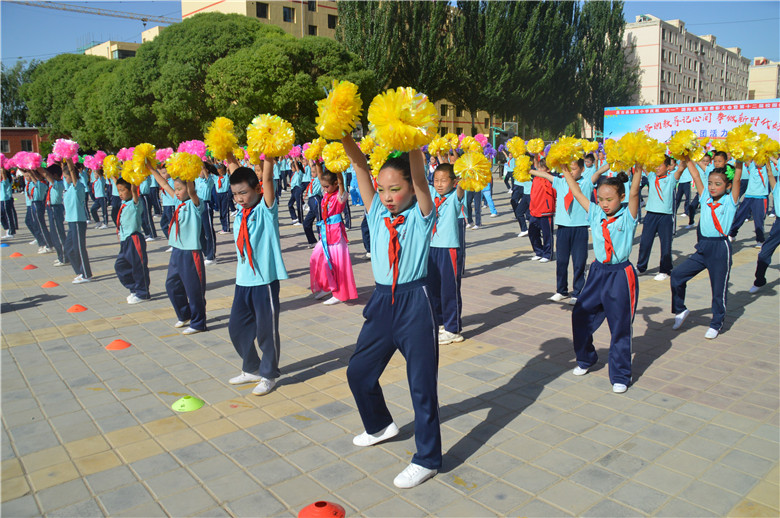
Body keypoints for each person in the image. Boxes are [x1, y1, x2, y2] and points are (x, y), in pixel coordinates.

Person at [342, 134, 440, 489]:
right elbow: (358, 165)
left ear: (411, 191)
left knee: (421, 386)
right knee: (358, 371)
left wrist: (412, 137)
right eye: (381, 189)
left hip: (416, 303)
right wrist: (342, 132)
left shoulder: (422, 215)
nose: (386, 196)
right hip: (383, 303)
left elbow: (419, 179)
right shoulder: (377, 212)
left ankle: (427, 458)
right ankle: (380, 425)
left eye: (394, 189)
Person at [563, 164, 643, 394]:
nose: (605, 204)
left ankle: (620, 375)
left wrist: (638, 169)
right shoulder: (596, 213)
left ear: (621, 197)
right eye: (600, 199)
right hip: (597, 272)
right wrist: (563, 169)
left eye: (609, 199)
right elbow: (577, 192)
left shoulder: (628, 216)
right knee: (580, 315)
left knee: (619, 327)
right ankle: (586, 358)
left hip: (620, 275)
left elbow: (636, 192)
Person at [224, 153, 288, 396]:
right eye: (235, 194)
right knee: (236, 328)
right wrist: (229, 154)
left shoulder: (265, 210)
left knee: (266, 332)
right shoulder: (239, 213)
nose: (239, 198)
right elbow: (233, 170)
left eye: (244, 193)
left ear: (257, 189)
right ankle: (251, 367)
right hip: (243, 282)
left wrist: (269, 155)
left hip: (264, 282)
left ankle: (269, 374)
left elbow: (269, 179)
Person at [671, 160, 744, 340]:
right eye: (710, 183)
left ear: (727, 186)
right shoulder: (705, 198)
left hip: (720, 248)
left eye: (717, 184)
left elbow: (737, 180)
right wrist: (687, 158)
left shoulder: (730, 201)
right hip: (703, 247)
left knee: (718, 289)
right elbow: (696, 175)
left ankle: (716, 323)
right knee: (677, 275)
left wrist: (740, 159)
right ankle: (680, 309)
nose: (712, 187)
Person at [530, 159, 606, 304]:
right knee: (562, 261)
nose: (571, 172)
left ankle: (578, 292)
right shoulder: (560, 182)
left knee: (579, 262)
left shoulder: (587, 183)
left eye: (574, 169)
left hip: (580, 228)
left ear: (582, 169)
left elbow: (599, 172)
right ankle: (561, 290)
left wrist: (614, 161)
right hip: (563, 228)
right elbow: (544, 175)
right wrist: (525, 170)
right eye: (568, 169)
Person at [150, 163, 207, 335]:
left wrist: (188, 174)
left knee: (194, 289)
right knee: (172, 285)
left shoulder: (195, 204)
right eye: (176, 189)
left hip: (191, 252)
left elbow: (191, 192)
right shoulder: (177, 201)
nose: (177, 192)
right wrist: (151, 169)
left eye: (180, 189)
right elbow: (164, 184)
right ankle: (185, 314)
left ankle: (198, 322)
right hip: (177, 250)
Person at [428, 161, 465, 345]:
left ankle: (453, 329)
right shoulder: (432, 194)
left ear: (454, 181)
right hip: (432, 247)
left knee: (449, 289)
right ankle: (440, 322)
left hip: (448, 248)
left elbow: (462, 187)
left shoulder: (455, 197)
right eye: (436, 180)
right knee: (433, 289)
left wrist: (467, 170)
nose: (439, 184)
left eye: (444, 180)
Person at [309, 169, 358, 305]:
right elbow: (320, 176)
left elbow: (341, 183)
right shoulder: (327, 194)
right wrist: (317, 161)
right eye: (323, 186)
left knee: (338, 264)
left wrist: (338, 170)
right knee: (317, 259)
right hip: (325, 233)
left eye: (327, 186)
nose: (324, 189)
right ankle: (327, 286)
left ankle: (340, 293)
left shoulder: (339, 195)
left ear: (336, 184)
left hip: (336, 234)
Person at [636, 158, 686, 280]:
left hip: (665, 216)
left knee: (666, 243)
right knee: (645, 242)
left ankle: (665, 269)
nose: (657, 168)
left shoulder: (671, 179)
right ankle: (641, 267)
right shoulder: (652, 176)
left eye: (660, 165)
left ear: (668, 167)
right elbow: (642, 165)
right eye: (655, 166)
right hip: (651, 215)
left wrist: (684, 156)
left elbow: (681, 168)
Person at [114, 177, 150, 304]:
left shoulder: (136, 202)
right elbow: (116, 180)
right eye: (118, 191)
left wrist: (133, 175)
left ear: (130, 190)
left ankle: (143, 292)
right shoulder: (123, 203)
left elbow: (135, 190)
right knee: (120, 266)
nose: (120, 194)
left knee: (138, 266)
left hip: (134, 239)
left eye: (122, 190)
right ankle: (134, 288)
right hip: (125, 240)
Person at [61, 158, 92, 283]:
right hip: (71, 221)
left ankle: (86, 274)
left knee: (80, 248)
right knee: (69, 249)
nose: (65, 178)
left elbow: (73, 173)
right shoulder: (68, 188)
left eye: (66, 176)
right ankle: (80, 271)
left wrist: (69, 161)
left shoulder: (77, 186)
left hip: (78, 221)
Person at [750, 162, 778, 292]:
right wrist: (766, 157)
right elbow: (770, 173)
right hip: (778, 224)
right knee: (764, 253)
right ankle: (759, 281)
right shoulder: (776, 187)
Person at [729, 159, 769, 247]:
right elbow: (745, 158)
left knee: (758, 220)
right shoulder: (751, 166)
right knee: (740, 216)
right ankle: (732, 234)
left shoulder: (767, 168)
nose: (758, 162)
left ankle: (760, 240)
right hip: (748, 196)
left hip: (760, 197)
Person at [36, 164, 68, 267]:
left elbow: (45, 174)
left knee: (58, 234)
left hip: (56, 208)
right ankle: (61, 256)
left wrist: (36, 165)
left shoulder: (58, 183)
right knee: (54, 234)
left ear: (54, 175)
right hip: (51, 208)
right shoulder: (53, 183)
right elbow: (45, 174)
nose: (47, 176)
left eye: (49, 174)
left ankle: (64, 257)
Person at [527, 157, 555, 262]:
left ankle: (548, 254)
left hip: (546, 211)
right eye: (538, 167)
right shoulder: (535, 178)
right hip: (534, 210)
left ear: (548, 170)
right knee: (533, 233)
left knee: (547, 234)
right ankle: (538, 251)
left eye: (541, 168)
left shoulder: (550, 179)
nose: (538, 170)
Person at [195, 164, 217, 264]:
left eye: (200, 170)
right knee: (199, 231)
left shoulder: (210, 180)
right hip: (197, 206)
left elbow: (206, 174)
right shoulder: (196, 180)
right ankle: (205, 252)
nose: (199, 172)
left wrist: (203, 164)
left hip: (206, 205)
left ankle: (211, 256)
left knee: (208, 231)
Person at [302, 160, 323, 247]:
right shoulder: (312, 179)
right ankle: (312, 241)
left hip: (316, 200)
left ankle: (322, 241)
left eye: (314, 172)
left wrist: (317, 161)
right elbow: (311, 165)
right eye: (311, 172)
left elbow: (319, 172)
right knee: (306, 223)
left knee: (319, 222)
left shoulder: (319, 179)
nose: (312, 173)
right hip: (311, 202)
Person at [138, 174, 158, 241]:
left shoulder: (145, 176)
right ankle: (147, 232)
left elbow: (145, 186)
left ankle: (153, 234)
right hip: (139, 196)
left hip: (145, 195)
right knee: (142, 216)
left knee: (147, 216)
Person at [0, 166, 18, 238]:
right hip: (1, 200)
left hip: (6, 200)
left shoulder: (6, 181)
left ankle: (11, 232)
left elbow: (4, 174)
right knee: (1, 216)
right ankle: (7, 229)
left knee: (8, 216)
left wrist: (2, 168)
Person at [214, 164, 232, 234]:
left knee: (225, 211)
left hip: (225, 194)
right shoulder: (216, 177)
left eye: (221, 172)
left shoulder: (226, 177)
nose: (220, 173)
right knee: (221, 212)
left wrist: (227, 170)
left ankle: (226, 228)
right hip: (218, 195)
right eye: (219, 172)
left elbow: (228, 171)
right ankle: (223, 227)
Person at [287, 159, 304, 226]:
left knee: (298, 205)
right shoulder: (294, 174)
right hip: (293, 190)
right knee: (290, 204)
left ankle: (301, 220)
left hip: (298, 189)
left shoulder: (299, 173)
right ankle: (294, 218)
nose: (291, 169)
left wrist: (295, 159)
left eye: (292, 167)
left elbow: (297, 166)